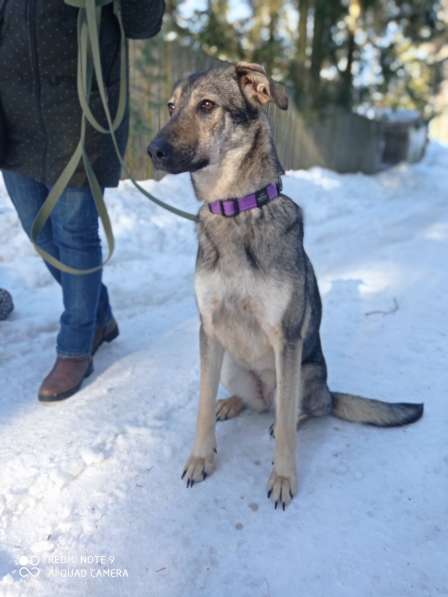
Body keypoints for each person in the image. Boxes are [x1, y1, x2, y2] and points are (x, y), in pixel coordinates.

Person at [0, 0, 165, 401]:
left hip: (79, 113)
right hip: (13, 116)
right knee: (38, 232)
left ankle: (75, 345)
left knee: (74, 234)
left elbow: (144, 24)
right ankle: (97, 316)